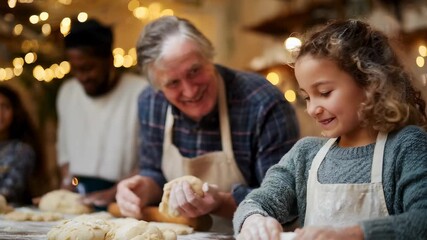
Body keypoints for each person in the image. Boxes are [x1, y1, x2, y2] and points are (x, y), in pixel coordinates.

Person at [234, 19, 427, 240]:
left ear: (371, 83)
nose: (312, 109)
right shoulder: (305, 154)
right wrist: (254, 219)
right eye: (307, 97)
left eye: (324, 92)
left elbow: (422, 220)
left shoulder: (407, 146)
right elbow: (256, 202)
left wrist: (353, 234)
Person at [115, 16, 300, 232]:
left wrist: (220, 202)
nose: (191, 91)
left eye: (195, 71)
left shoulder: (262, 103)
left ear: (209, 57)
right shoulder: (151, 102)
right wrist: (141, 189)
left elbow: (286, 203)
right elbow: (155, 171)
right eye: (173, 83)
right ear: (158, 87)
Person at [57, 18, 148, 208]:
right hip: (78, 196)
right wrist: (68, 187)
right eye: (75, 69)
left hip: (125, 198)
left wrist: (114, 192)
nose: (82, 77)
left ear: (109, 60)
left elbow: (151, 160)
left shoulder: (140, 92)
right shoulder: (68, 92)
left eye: (88, 68)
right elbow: (65, 154)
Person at [0, 85, 44, 205]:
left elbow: (8, 192)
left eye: (5, 107)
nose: (0, 113)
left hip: (10, 218)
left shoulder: (22, 150)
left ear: (15, 111)